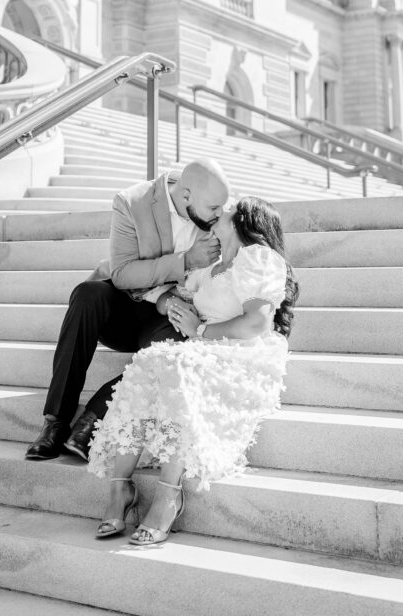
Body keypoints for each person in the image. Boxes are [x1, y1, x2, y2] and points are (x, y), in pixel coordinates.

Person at [87, 196, 299, 545]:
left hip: (243, 356)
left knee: (176, 363)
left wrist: (199, 331)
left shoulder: (258, 258)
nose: (216, 210)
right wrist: (112, 269)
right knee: (149, 360)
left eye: (225, 208)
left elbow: (256, 323)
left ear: (244, 220)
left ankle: (169, 495)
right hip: (206, 349)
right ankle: (120, 488)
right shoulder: (210, 270)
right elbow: (163, 291)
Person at [25, 158, 230, 462]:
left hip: (171, 315)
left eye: (221, 208)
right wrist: (184, 262)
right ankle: (55, 421)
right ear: (186, 196)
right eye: (213, 209)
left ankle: (93, 418)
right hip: (127, 306)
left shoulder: (215, 208)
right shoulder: (132, 202)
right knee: (87, 295)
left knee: (173, 352)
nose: (220, 215)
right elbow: (122, 274)